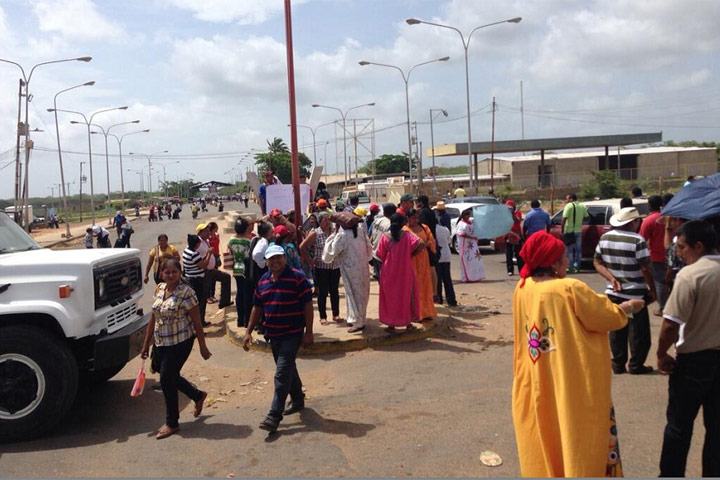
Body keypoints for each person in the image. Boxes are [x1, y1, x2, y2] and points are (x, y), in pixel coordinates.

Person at [512, 231, 643, 477]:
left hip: (539, 378)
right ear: (553, 263)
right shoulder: (569, 288)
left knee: (547, 433)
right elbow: (606, 317)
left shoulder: (523, 287)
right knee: (577, 437)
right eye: (563, 258)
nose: (567, 262)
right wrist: (628, 307)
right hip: (573, 384)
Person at [656, 220, 720, 477]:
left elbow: (670, 325)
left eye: (682, 247)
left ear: (698, 245)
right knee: (716, 429)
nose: (679, 253)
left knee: (679, 427)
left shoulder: (691, 275)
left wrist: (661, 354)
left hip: (694, 362)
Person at [242, 245, 313, 433]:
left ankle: (274, 416)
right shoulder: (263, 281)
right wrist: (248, 331)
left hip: (293, 332)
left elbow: (308, 305)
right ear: (266, 262)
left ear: (285, 258)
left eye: (278, 257)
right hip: (273, 334)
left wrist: (309, 332)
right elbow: (257, 308)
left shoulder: (298, 278)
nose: (275, 261)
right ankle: (297, 399)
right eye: (271, 259)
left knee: (281, 373)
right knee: (288, 368)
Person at [140, 259, 212, 440]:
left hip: (181, 342)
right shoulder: (160, 289)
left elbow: (197, 322)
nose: (170, 275)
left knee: (166, 378)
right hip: (161, 342)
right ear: (161, 274)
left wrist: (203, 347)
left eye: (174, 272)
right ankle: (197, 395)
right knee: (169, 375)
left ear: (180, 273)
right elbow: (153, 318)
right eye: (167, 272)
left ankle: (172, 422)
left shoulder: (187, 293)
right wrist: (145, 344)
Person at [594, 207, 657, 375]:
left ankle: (618, 364)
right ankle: (636, 365)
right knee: (639, 332)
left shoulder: (605, 238)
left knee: (617, 328)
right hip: (635, 293)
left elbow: (597, 262)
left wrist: (611, 278)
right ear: (633, 222)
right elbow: (645, 268)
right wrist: (653, 289)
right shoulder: (637, 240)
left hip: (614, 292)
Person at [323, 213, 372, 333]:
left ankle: (357, 322)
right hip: (363, 268)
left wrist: (333, 235)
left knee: (352, 294)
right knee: (362, 294)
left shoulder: (342, 236)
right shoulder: (360, 231)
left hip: (350, 270)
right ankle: (358, 319)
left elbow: (331, 252)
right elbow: (369, 248)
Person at [376, 213, 423, 333]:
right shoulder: (407, 236)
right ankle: (408, 324)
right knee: (405, 296)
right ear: (403, 223)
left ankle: (391, 325)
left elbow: (379, 254)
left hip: (389, 272)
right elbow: (421, 243)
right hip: (405, 271)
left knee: (391, 297)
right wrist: (411, 254)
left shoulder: (385, 236)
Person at [300, 212, 341, 325]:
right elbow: (302, 247)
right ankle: (323, 316)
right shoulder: (315, 233)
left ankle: (335, 314)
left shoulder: (335, 232)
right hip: (321, 267)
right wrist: (310, 260)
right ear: (320, 221)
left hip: (335, 266)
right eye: (324, 220)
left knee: (334, 291)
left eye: (328, 219)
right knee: (323, 292)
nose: (327, 222)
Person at [403, 209, 437, 321]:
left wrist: (426, 244)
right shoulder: (405, 230)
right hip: (412, 261)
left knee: (426, 286)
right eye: (414, 218)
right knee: (414, 287)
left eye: (417, 218)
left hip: (424, 261)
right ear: (407, 218)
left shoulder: (424, 227)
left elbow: (431, 241)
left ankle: (426, 312)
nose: (416, 220)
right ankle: (416, 313)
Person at [639, 195, 667, 317]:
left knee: (659, 282)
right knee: (670, 282)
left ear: (649, 205)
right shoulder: (667, 218)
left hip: (656, 256)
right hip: (671, 255)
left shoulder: (649, 220)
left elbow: (641, 239)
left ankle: (662, 308)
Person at [196, 223, 232, 313]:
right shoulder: (198, 243)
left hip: (212, 270)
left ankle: (224, 301)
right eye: (206, 231)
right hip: (204, 271)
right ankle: (201, 320)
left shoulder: (206, 241)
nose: (208, 232)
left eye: (208, 230)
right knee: (204, 295)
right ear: (200, 232)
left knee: (226, 277)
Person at [227, 217, 254, 328]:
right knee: (247, 294)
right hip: (246, 269)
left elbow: (230, 252)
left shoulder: (231, 240)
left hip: (237, 267)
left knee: (239, 293)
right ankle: (246, 320)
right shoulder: (248, 242)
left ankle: (239, 319)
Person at [182, 234, 212, 327]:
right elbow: (204, 265)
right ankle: (198, 325)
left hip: (190, 279)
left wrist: (206, 253)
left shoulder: (186, 251)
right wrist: (209, 254)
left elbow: (198, 262)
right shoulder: (194, 254)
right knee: (199, 303)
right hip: (196, 280)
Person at [455, 208, 485, 282]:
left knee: (476, 259)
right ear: (463, 215)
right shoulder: (461, 224)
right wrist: (471, 237)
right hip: (465, 245)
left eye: (468, 214)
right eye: (466, 215)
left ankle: (476, 276)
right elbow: (462, 234)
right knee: (466, 260)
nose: (468, 216)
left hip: (472, 244)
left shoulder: (470, 222)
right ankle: (466, 277)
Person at [561, 193, 588, 273]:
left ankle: (571, 267)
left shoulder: (568, 206)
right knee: (578, 250)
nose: (566, 201)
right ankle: (577, 267)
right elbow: (586, 216)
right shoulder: (582, 206)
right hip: (578, 230)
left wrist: (562, 229)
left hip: (569, 231)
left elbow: (564, 218)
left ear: (571, 198)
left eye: (567, 199)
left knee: (569, 250)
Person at [370, 203, 395, 279]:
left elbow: (371, 235)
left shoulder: (377, 220)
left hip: (375, 253)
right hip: (383, 257)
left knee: (380, 279)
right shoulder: (390, 224)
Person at [435, 222, 457, 307]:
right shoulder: (445, 229)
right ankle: (451, 300)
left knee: (438, 280)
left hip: (438, 256)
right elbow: (448, 241)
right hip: (446, 255)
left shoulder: (430, 229)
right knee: (447, 279)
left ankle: (439, 299)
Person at [505, 199, 524, 276]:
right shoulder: (505, 214)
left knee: (518, 254)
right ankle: (510, 270)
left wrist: (512, 213)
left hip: (516, 235)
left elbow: (516, 221)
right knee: (508, 254)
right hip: (508, 235)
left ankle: (521, 270)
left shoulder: (517, 213)